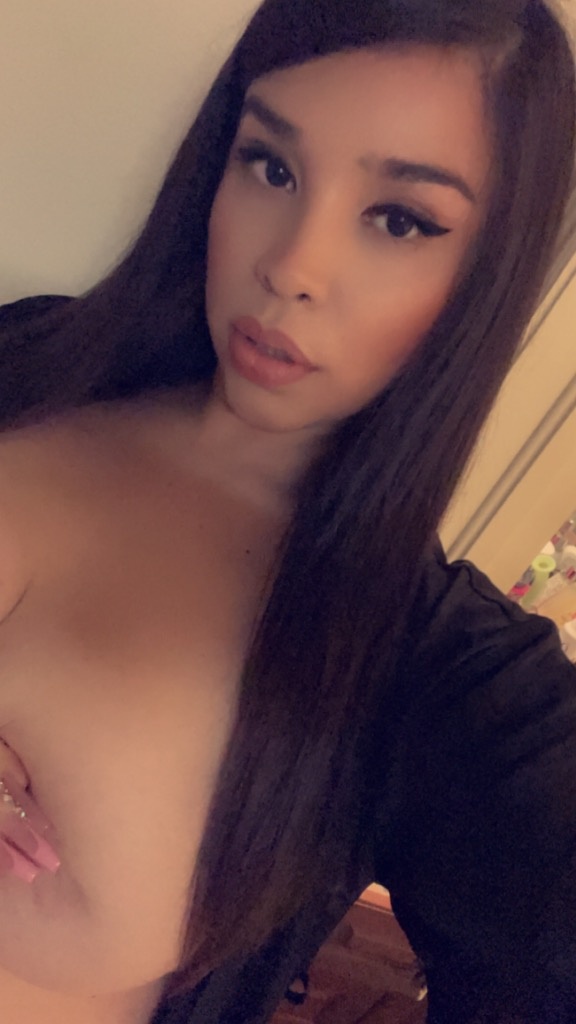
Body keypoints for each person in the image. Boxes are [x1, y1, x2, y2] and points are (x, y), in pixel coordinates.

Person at [0, 0, 575, 1021]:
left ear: (487, 271)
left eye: (400, 220)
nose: (291, 267)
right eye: (271, 166)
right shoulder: (33, 354)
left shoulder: (434, 672)